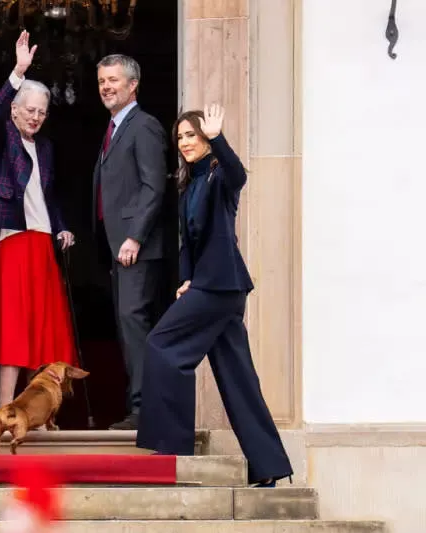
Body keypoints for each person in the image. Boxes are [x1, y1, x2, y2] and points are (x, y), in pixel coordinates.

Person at [136, 105, 293, 486]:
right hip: (211, 286)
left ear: (206, 138)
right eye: (180, 137)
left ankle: (173, 447)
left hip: (221, 286)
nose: (184, 142)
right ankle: (269, 467)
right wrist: (187, 278)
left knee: (161, 345)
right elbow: (189, 243)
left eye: (191, 135)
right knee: (238, 377)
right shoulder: (189, 184)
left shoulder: (220, 175)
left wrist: (219, 137)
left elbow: (239, 174)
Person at [0, 31, 77, 409]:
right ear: (15, 110)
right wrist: (18, 72)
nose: (35, 117)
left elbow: (48, 196)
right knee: (14, 327)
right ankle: (6, 408)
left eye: (41, 112)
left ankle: (38, 410)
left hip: (42, 242)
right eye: (29, 110)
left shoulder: (46, 148)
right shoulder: (3, 138)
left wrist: (62, 227)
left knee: (44, 328)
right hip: (14, 241)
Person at [92, 54, 168, 430]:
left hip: (136, 247)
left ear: (133, 85)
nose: (106, 87)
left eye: (114, 80)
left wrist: (135, 236)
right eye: (102, 81)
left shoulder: (144, 125)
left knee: (134, 321)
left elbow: (154, 186)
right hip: (118, 248)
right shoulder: (114, 127)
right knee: (127, 324)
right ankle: (138, 406)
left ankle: (144, 410)